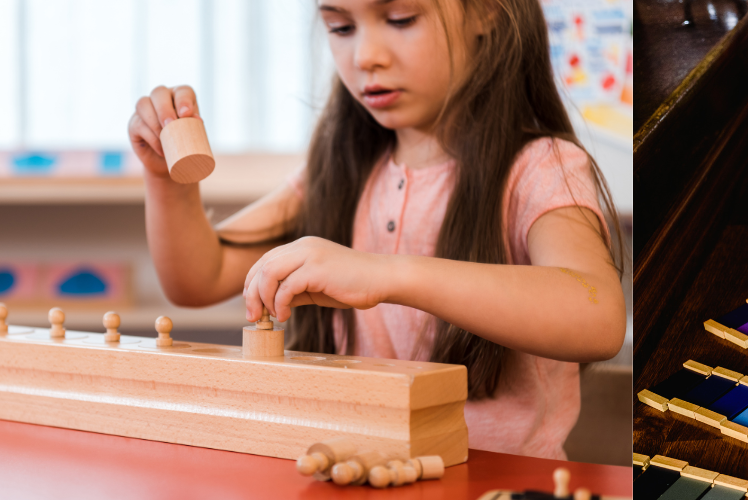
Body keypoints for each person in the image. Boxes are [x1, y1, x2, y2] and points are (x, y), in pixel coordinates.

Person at [126, 0, 626, 459]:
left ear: (486, 13)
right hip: (355, 475)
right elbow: (198, 277)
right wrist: (165, 179)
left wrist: (386, 275)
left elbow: (598, 315)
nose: (365, 55)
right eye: (340, 27)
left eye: (401, 18)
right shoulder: (337, 172)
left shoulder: (541, 169)